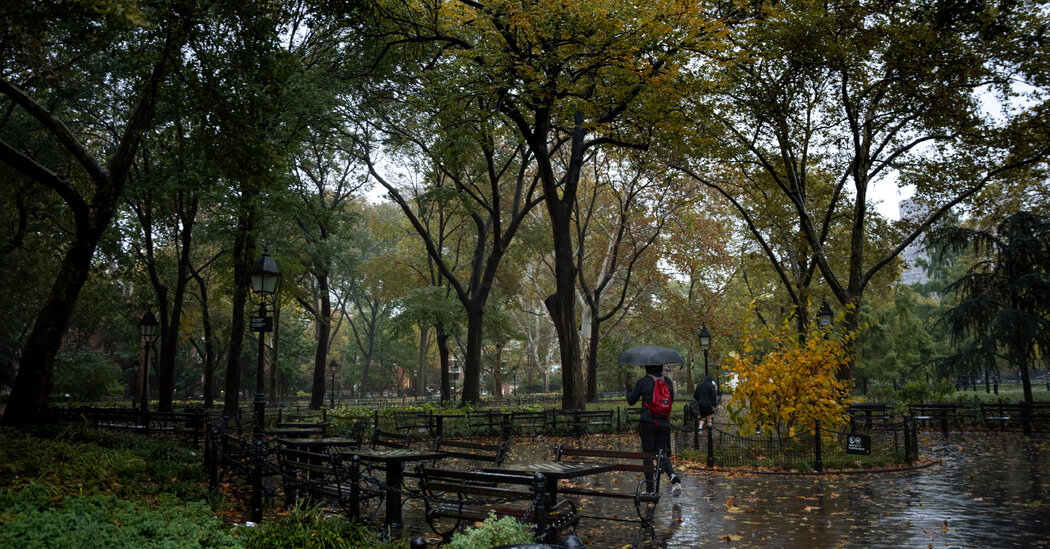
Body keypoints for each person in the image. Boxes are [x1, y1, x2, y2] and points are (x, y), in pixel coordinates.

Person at [625, 364, 683, 497]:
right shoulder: (667, 381)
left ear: (646, 367)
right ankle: (674, 478)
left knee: (648, 455)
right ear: (661, 367)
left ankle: (650, 489)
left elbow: (631, 400)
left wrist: (628, 386)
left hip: (648, 422)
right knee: (662, 454)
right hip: (663, 423)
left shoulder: (642, 382)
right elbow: (670, 400)